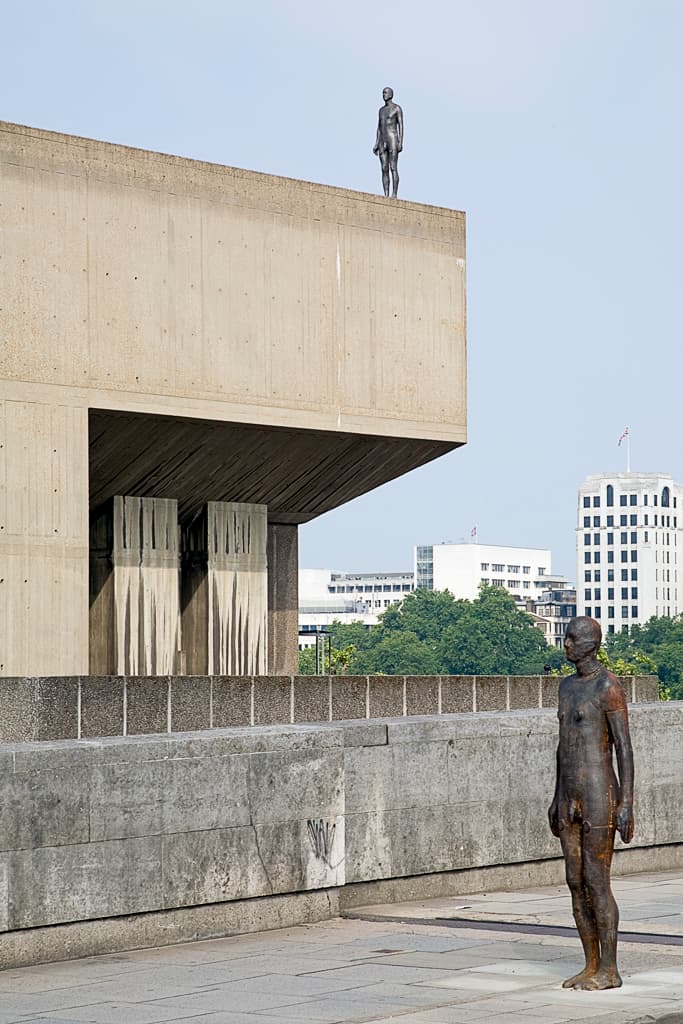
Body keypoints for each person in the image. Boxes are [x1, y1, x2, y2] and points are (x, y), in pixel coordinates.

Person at [548, 616, 634, 990]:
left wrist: (626, 801)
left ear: (590, 644)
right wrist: (556, 796)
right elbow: (562, 745)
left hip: (600, 793)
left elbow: (624, 749)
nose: (565, 644)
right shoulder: (566, 687)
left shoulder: (608, 686)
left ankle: (610, 969)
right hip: (569, 793)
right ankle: (590, 963)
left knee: (597, 881)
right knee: (574, 880)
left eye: (571, 639)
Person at [373, 87, 403, 197]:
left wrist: (400, 141)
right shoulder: (381, 110)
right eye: (383, 93)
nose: (383, 95)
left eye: (385, 93)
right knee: (384, 168)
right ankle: (386, 194)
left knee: (393, 167)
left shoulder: (397, 108)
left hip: (393, 138)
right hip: (382, 140)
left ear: (390, 94)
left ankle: (394, 194)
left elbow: (401, 125)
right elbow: (379, 127)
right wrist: (376, 142)